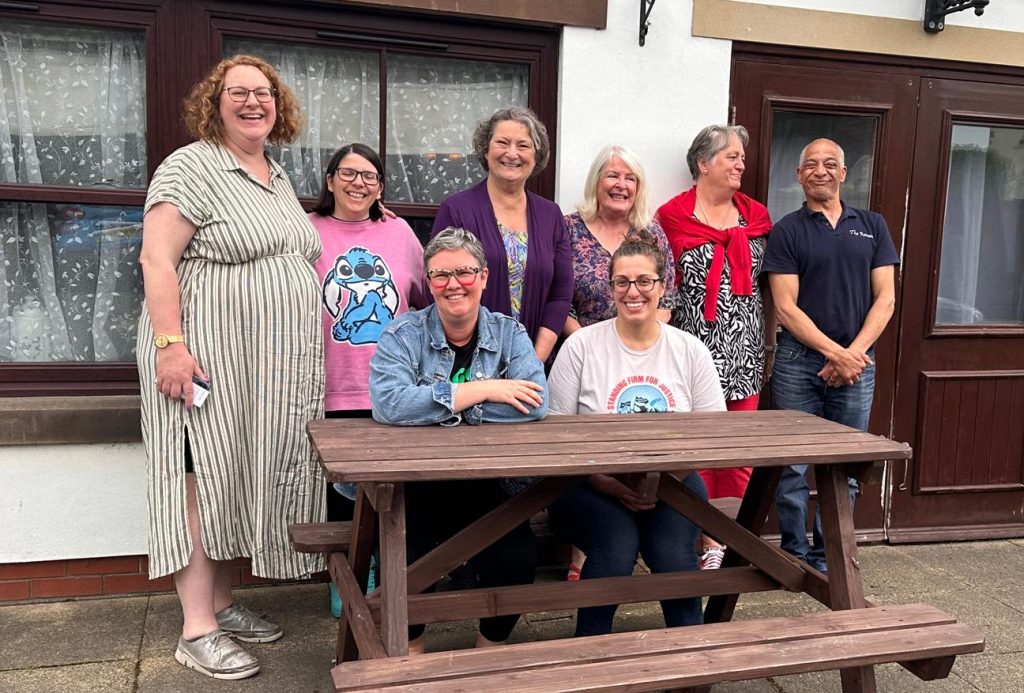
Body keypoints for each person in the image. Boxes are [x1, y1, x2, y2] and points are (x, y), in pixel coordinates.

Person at [137, 55, 324, 679]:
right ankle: (197, 629)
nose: (253, 103)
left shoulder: (273, 173)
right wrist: (171, 345)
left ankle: (221, 601)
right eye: (237, 92)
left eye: (264, 93)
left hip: (262, 368)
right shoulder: (192, 166)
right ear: (213, 102)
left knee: (233, 472)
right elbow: (156, 260)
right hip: (204, 358)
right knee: (198, 475)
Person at [369, 226, 548, 653]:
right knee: (402, 554)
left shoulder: (510, 333)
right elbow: (390, 404)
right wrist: (483, 390)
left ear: (484, 277)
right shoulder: (401, 335)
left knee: (518, 559)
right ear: (428, 282)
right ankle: (411, 648)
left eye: (464, 272)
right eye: (440, 275)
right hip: (417, 482)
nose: (453, 285)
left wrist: (438, 410)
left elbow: (536, 402)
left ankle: (489, 647)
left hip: (491, 482)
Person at [546, 233, 726, 637]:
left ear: (662, 287)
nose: (633, 292)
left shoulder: (690, 350)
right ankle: (588, 658)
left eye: (644, 281)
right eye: (622, 282)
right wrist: (602, 480)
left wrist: (660, 481)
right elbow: (557, 433)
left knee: (673, 555)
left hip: (674, 480)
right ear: (610, 288)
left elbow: (713, 432)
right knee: (615, 547)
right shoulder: (581, 346)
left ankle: (690, 663)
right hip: (588, 483)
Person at [762, 138, 899, 573]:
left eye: (830, 164)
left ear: (843, 173)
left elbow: (887, 299)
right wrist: (835, 353)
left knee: (847, 466)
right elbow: (785, 306)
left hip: (857, 366)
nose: (820, 170)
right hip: (799, 364)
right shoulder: (788, 229)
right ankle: (793, 555)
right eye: (810, 164)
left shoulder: (872, 225)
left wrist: (851, 356)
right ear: (799, 176)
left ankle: (829, 556)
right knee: (795, 467)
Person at [309, 142, 426, 617]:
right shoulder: (307, 230)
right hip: (332, 382)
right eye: (349, 174)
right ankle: (349, 581)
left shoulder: (399, 232)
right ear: (331, 179)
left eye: (370, 176)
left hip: (393, 385)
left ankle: (390, 574)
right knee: (342, 492)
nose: (359, 183)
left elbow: (425, 296)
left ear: (381, 186)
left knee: (393, 489)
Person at [657, 124, 773, 570]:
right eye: (731, 156)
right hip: (692, 348)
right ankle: (700, 540)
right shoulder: (672, 216)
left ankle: (730, 540)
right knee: (697, 450)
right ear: (703, 164)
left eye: (742, 157)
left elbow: (769, 285)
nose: (741, 164)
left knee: (738, 452)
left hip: (744, 348)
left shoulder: (756, 217)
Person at [562, 144, 681, 580]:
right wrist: (596, 344)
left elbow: (669, 296)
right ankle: (589, 551)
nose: (621, 184)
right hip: (582, 351)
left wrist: (641, 339)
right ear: (597, 181)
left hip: (643, 358)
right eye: (612, 175)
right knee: (592, 446)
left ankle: (649, 534)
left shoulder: (650, 233)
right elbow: (558, 299)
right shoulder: (568, 229)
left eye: (629, 177)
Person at [431, 106, 571, 364]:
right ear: (486, 149)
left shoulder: (551, 215)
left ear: (536, 155)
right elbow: (443, 285)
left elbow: (560, 295)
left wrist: (533, 361)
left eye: (523, 145)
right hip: (467, 363)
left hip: (534, 364)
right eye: (502, 143)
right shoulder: (456, 210)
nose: (512, 154)